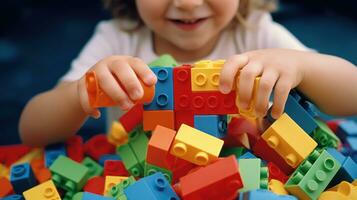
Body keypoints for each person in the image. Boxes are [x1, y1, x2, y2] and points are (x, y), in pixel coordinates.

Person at [19, 0, 357, 146]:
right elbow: (32, 130)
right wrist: (83, 92)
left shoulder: (256, 34)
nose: (188, 3)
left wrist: (301, 66)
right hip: (140, 182)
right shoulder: (116, 40)